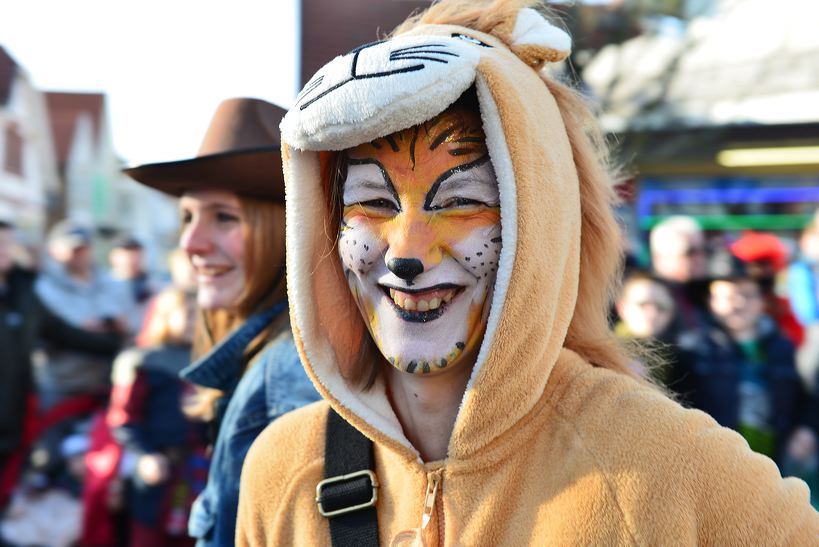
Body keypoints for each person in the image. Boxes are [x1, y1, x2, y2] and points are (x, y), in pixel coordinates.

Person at [236, 1, 819, 544]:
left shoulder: (657, 464)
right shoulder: (283, 470)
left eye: (461, 201)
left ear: (536, 219)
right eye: (376, 205)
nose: (405, 253)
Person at [123, 97, 321, 546]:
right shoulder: (268, 358)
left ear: (284, 227)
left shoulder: (289, 370)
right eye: (187, 217)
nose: (191, 242)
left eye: (224, 218)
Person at [677, 258, 812, 464]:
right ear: (709, 300)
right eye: (728, 296)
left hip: (776, 465)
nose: (738, 303)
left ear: (761, 301)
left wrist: (807, 428)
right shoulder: (692, 349)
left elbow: (806, 397)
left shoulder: (783, 347)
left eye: (748, 295)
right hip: (715, 464)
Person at [108, 288, 207, 546]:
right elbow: (123, 418)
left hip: (196, 469)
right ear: (165, 316)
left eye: (200, 315)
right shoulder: (143, 362)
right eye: (187, 314)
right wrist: (146, 455)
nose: (195, 321)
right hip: (157, 470)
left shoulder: (208, 362)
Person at [649, 215, 710, 330]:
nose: (700, 258)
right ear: (660, 257)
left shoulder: (706, 290)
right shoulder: (647, 296)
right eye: (690, 252)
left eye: (704, 250)